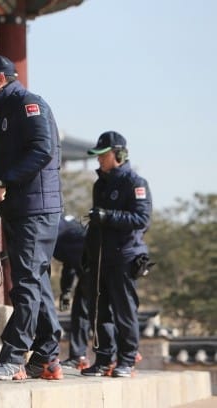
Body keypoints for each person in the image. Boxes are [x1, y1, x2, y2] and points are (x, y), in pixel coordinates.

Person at [0, 54, 64, 381]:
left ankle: (13, 357)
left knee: (25, 286)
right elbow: (2, 175)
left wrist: (4, 183)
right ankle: (47, 357)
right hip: (19, 210)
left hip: (36, 212)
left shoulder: (28, 105)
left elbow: (42, 150)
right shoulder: (7, 112)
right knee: (37, 283)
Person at [81, 131, 152, 378]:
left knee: (125, 311)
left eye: (104, 154)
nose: (99, 159)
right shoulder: (99, 185)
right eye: (97, 155)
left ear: (119, 154)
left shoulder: (136, 183)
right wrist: (87, 253)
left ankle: (127, 359)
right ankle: (103, 359)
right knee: (99, 312)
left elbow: (142, 219)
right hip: (101, 258)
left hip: (125, 256)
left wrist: (108, 217)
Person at [54, 215, 91, 370]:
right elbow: (69, 264)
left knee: (87, 311)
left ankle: (110, 357)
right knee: (80, 310)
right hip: (85, 267)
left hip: (94, 266)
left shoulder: (54, 228)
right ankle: (78, 356)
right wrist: (66, 290)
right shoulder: (66, 228)